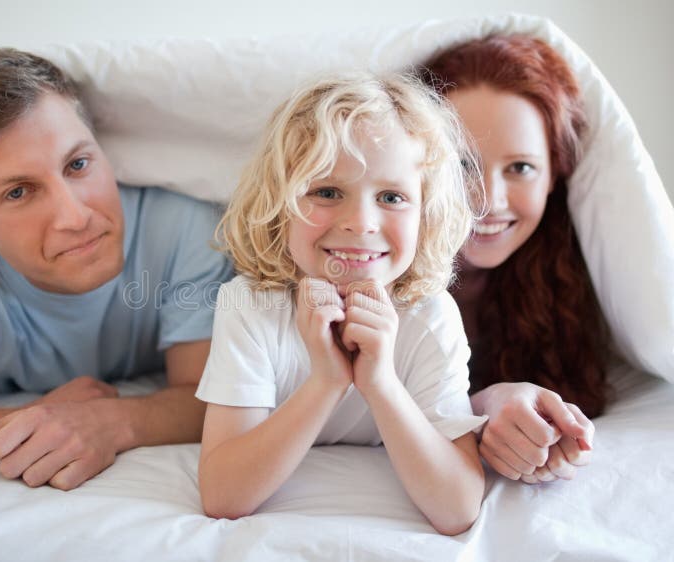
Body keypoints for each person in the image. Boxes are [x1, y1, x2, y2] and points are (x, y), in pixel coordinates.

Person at [0, 48, 233, 489]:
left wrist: (113, 421)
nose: (75, 217)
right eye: (20, 192)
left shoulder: (185, 230)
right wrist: (30, 421)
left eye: (78, 164)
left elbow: (206, 395)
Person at [196, 73, 486, 535]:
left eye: (392, 197)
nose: (360, 222)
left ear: (425, 215)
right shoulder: (249, 306)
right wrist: (326, 381)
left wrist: (381, 383)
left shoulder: (430, 317)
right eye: (327, 192)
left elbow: (458, 508)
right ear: (279, 203)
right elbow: (223, 494)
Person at [421, 34, 609, 484]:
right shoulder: (372, 271)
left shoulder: (570, 277)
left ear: (552, 177)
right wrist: (482, 406)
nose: (488, 200)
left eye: (520, 167)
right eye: (462, 166)